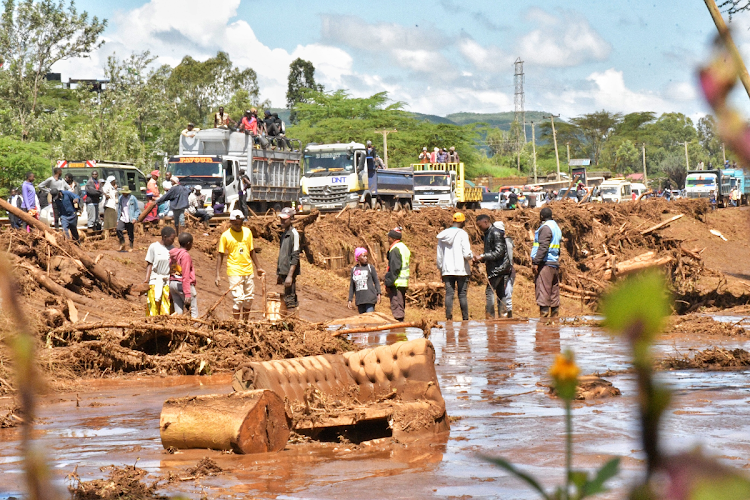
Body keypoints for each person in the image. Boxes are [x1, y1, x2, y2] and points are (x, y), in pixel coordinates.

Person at [216, 210, 265, 320]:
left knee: (249, 299)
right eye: (236, 223)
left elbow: (251, 250)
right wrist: (217, 274)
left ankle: (245, 323)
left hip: (248, 269)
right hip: (234, 270)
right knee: (238, 299)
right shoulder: (225, 236)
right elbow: (220, 255)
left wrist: (258, 267)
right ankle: (236, 324)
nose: (238, 226)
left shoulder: (247, 232)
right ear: (231, 222)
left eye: (240, 223)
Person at [436, 212, 473, 321]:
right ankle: (465, 319)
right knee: (462, 294)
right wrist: (472, 256)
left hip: (447, 270)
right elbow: (466, 254)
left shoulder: (442, 235)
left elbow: (439, 255)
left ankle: (448, 318)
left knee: (449, 294)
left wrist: (440, 268)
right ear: (462, 222)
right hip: (461, 270)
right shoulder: (463, 234)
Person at [473, 214, 510, 319]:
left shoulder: (495, 233)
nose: (479, 228)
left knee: (490, 292)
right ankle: (503, 316)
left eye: (480, 226)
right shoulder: (488, 233)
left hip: (498, 269)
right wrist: (482, 258)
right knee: (500, 293)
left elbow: (499, 252)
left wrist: (483, 256)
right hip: (499, 268)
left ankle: (490, 317)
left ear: (485, 222)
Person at [531, 207, 562, 318]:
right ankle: (555, 320)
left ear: (542, 217)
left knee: (543, 291)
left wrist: (536, 262)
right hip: (554, 262)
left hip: (545, 264)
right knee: (554, 293)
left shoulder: (545, 228)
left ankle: (543, 322)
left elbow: (543, 247)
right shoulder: (556, 227)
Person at [145, 226, 176, 316]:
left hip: (166, 281)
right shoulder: (154, 247)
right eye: (171, 239)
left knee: (165, 307)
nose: (173, 241)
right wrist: (147, 279)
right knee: (153, 305)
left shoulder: (172, 249)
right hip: (155, 279)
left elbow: (173, 266)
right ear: (164, 237)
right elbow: (149, 264)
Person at [384, 227, 410, 322]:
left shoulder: (395, 249)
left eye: (389, 238)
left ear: (394, 238)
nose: (388, 240)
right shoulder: (403, 247)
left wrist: (388, 282)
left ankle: (399, 332)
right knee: (401, 305)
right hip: (403, 282)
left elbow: (395, 268)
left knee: (397, 309)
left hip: (396, 282)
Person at [277, 207, 300, 310]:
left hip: (289, 272)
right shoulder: (284, 234)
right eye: (281, 218)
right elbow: (282, 254)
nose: (282, 221)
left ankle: (293, 322)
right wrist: (279, 273)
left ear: (291, 219)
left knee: (290, 299)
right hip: (284, 271)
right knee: (286, 297)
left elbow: (295, 256)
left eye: (285, 219)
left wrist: (290, 275)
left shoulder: (294, 234)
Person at [170, 232, 198, 318]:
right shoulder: (185, 256)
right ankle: (195, 328)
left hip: (173, 283)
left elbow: (170, 269)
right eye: (192, 243)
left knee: (178, 312)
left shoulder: (174, 254)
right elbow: (185, 275)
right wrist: (188, 293)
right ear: (188, 243)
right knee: (193, 310)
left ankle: (177, 328)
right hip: (182, 285)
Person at [348, 247, 381, 314]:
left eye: (366, 256)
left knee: (369, 318)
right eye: (364, 256)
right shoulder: (354, 270)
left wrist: (379, 293)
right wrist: (350, 300)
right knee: (362, 320)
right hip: (360, 300)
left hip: (370, 299)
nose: (366, 258)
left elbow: (376, 281)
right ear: (358, 257)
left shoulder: (370, 268)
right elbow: (352, 286)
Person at [494, 221, 515, 318]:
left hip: (507, 269)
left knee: (505, 292)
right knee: (505, 292)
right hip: (507, 269)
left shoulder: (504, 241)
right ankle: (506, 315)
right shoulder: (507, 240)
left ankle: (507, 315)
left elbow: (508, 258)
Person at [116, 186, 140, 252]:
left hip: (130, 218)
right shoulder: (121, 198)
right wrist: (118, 219)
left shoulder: (132, 198)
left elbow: (137, 210)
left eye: (124, 193)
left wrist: (135, 218)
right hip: (123, 217)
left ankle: (131, 246)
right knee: (118, 229)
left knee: (130, 233)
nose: (123, 194)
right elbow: (119, 209)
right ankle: (122, 243)